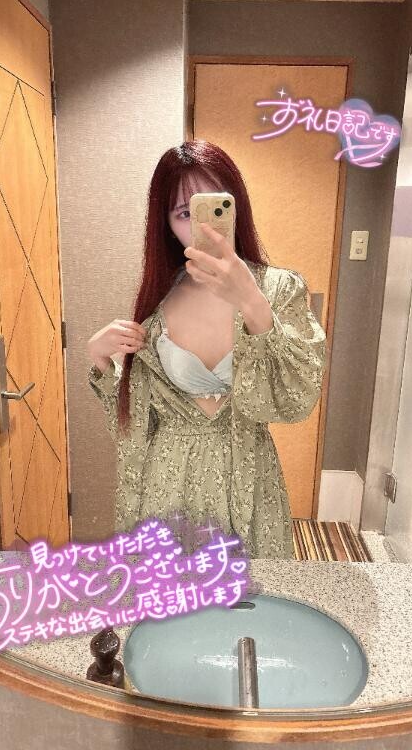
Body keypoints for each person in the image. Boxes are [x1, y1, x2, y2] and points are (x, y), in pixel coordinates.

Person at [87, 139, 328, 560]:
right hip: (167, 483)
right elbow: (133, 423)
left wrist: (252, 302)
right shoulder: (159, 303)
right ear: (167, 224)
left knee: (253, 591)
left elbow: (298, 396)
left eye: (218, 205)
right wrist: (100, 359)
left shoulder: (279, 288)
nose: (206, 225)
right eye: (185, 213)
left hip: (248, 478)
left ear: (237, 207)